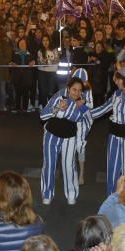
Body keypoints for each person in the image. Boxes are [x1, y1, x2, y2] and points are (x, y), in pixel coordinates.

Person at [91, 71, 125, 196]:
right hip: (114, 137)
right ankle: (111, 197)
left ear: (124, 80)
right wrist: (85, 112)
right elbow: (104, 108)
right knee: (112, 169)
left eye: (117, 79)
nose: (115, 82)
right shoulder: (116, 94)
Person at [40, 77, 90, 205]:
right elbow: (43, 115)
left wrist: (82, 107)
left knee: (69, 166)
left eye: (79, 90)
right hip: (51, 135)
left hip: (69, 138)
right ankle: (47, 193)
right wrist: (57, 108)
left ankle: (71, 194)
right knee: (49, 165)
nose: (76, 93)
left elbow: (88, 119)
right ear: (68, 89)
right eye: (74, 89)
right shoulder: (59, 97)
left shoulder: (82, 103)